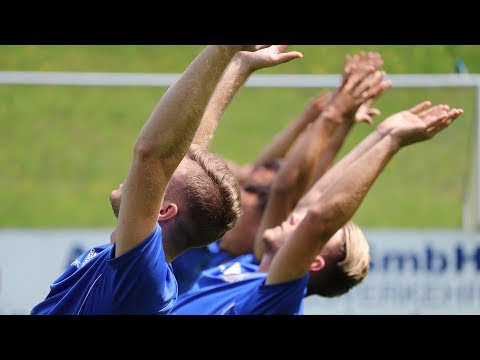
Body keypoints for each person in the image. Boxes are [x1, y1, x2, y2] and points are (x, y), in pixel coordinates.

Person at [170, 94, 463, 314]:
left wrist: (392, 142)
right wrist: (379, 135)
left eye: (313, 237)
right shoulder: (253, 265)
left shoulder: (278, 299)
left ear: (312, 261)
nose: (298, 218)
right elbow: (314, 200)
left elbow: (321, 217)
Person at [30, 45, 262, 315]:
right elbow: (184, 148)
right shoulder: (139, 266)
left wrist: (223, 48)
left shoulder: (143, 278)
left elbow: (153, 155)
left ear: (163, 210)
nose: (136, 177)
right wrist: (238, 66)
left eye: (161, 181)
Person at [171, 51, 387, 295]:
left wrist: (337, 117)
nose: (233, 202)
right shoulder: (212, 243)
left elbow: (291, 188)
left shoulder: (256, 267)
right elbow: (282, 180)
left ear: (263, 221)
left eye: (245, 198)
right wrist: (337, 118)